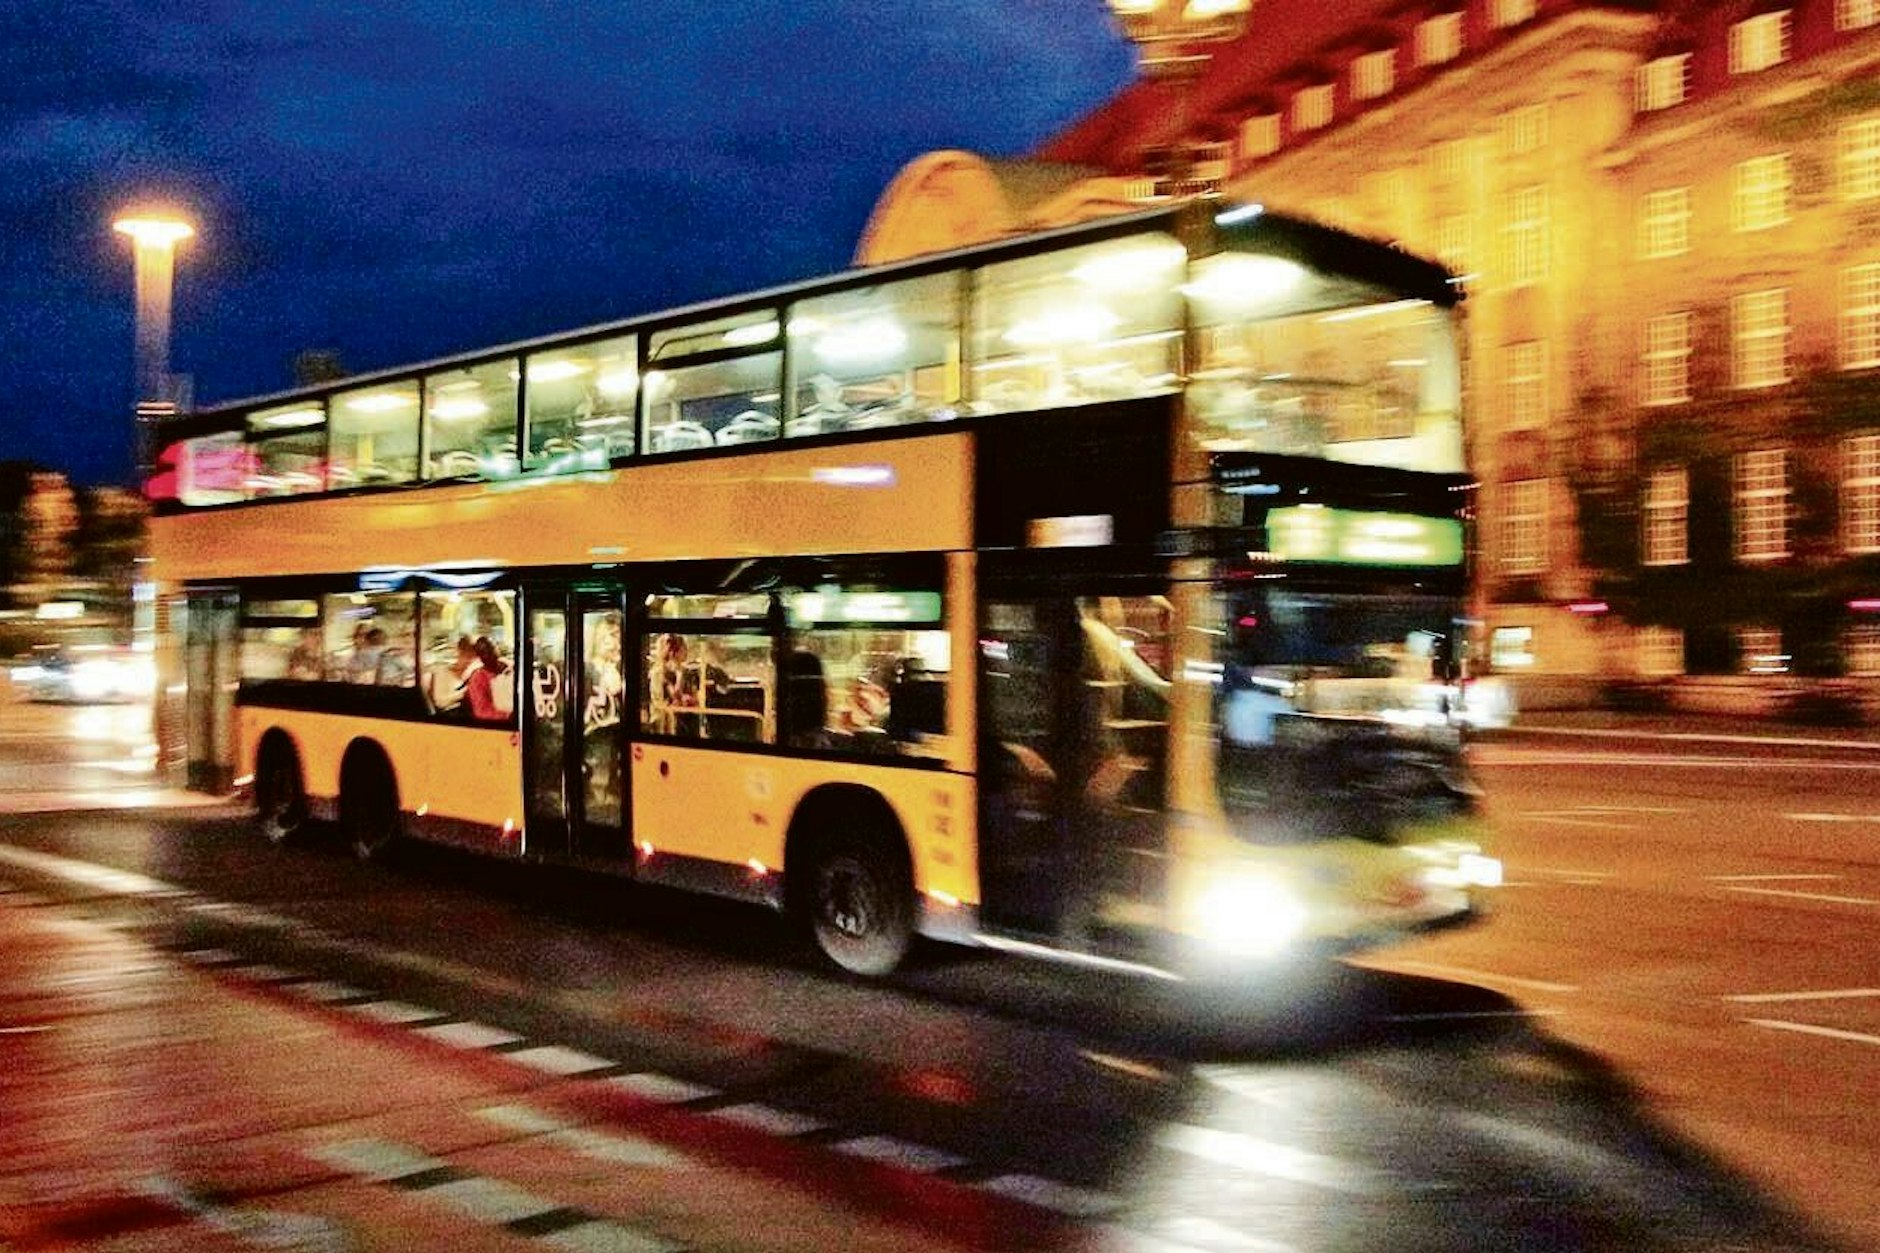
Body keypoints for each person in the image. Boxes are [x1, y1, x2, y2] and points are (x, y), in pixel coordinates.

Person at [463, 635, 509, 722]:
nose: (489, 654)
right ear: (479, 656)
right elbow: (482, 713)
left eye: (491, 648)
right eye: (483, 652)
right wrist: (507, 715)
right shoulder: (477, 679)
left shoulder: (509, 667)